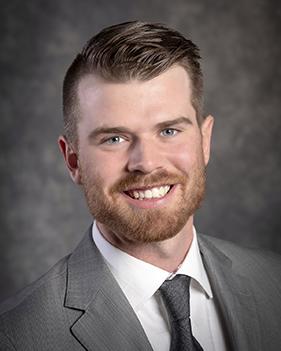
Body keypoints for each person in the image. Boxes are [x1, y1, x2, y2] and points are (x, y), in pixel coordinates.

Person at [0, 21, 280, 351]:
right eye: (114, 138)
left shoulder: (274, 283)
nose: (146, 162)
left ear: (205, 141)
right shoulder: (16, 338)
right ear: (73, 160)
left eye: (169, 131)